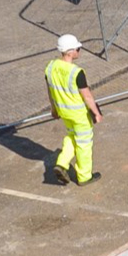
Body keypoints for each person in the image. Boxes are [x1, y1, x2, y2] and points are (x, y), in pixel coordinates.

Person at [46, 33, 101, 184]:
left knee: (71, 137)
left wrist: (54, 109)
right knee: (84, 144)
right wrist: (96, 113)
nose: (79, 51)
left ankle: (62, 163)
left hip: (64, 113)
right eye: (78, 48)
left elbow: (50, 91)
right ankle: (84, 176)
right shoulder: (76, 72)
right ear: (70, 52)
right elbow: (87, 96)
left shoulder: (50, 68)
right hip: (79, 115)